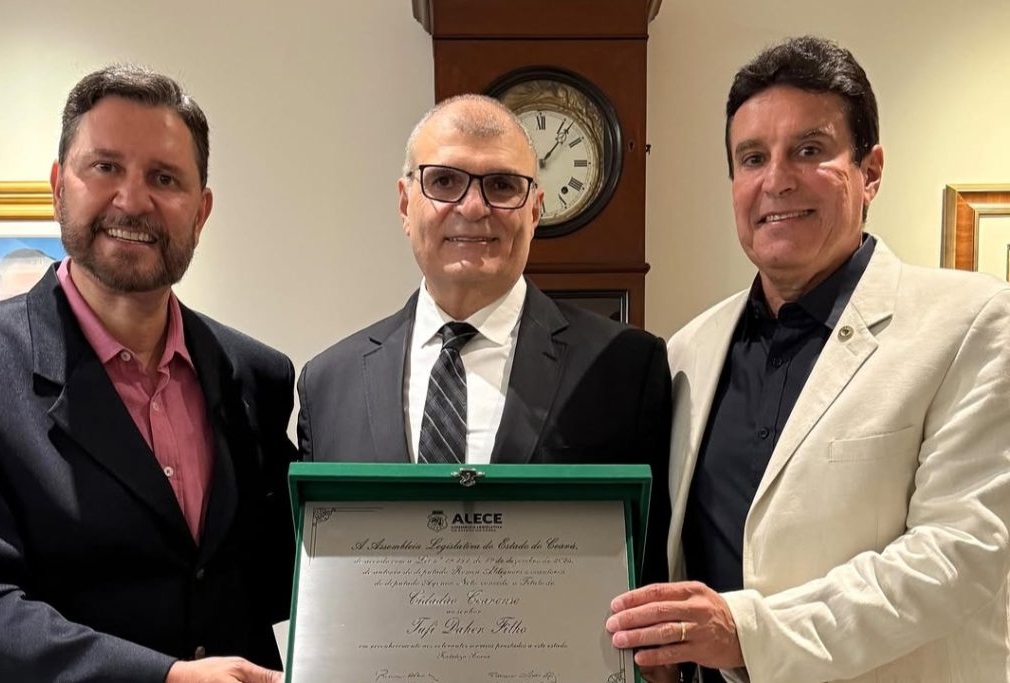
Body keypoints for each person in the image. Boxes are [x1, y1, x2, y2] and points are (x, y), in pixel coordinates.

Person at [606, 36, 1010, 683]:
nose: (776, 180)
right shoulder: (687, 351)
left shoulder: (973, 322)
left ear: (870, 171)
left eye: (810, 150)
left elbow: (958, 555)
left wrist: (748, 634)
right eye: (752, 158)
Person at [0, 65, 297, 683]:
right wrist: (165, 677)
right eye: (105, 167)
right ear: (58, 186)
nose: (132, 201)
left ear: (201, 211)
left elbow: (277, 572)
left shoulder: (256, 375)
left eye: (164, 178)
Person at [297, 94, 671, 585]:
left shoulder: (626, 370)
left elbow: (651, 569)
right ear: (405, 204)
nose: (473, 207)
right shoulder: (328, 384)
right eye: (444, 182)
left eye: (501, 185)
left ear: (534, 211)